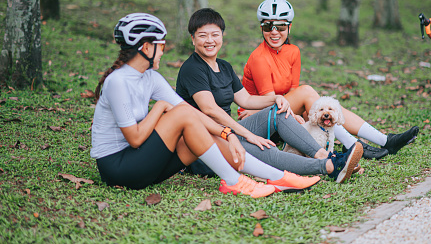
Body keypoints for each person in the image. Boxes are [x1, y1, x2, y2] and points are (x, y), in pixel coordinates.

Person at [90, 13, 321, 198]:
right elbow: (136, 139)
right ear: (146, 47)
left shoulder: (150, 77)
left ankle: (276, 177)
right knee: (182, 115)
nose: (164, 50)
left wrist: (227, 134)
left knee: (193, 123)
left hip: (144, 165)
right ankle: (234, 181)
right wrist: (160, 107)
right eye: (161, 45)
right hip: (120, 170)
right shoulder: (118, 82)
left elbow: (191, 114)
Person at [176, 8, 364, 183]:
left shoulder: (224, 66)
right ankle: (330, 167)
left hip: (226, 134)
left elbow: (246, 99)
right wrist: (249, 135)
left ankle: (323, 155)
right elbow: (211, 109)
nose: (210, 40)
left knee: (278, 111)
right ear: (193, 39)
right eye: (203, 36)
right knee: (264, 148)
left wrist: (275, 99)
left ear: (222, 37)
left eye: (215, 35)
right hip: (204, 146)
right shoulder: (192, 69)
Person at [239, 0, 419, 160]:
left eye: (280, 26)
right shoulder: (259, 58)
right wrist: (295, 115)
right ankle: (355, 145)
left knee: (319, 103)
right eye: (268, 26)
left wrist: (297, 114)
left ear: (289, 27)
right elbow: (271, 103)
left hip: (286, 113)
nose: (274, 32)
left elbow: (292, 93)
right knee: (309, 93)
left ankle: (385, 140)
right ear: (261, 28)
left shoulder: (293, 52)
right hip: (262, 122)